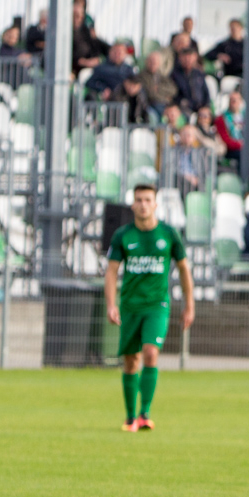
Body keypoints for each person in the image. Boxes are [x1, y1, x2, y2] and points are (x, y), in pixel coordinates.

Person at [104, 184, 194, 432]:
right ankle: (130, 417)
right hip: (130, 306)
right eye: (139, 200)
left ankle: (145, 414)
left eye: (148, 200)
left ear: (155, 204)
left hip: (157, 305)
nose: (143, 204)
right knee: (131, 361)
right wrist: (111, 304)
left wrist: (189, 305)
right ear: (133, 204)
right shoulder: (123, 235)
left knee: (151, 353)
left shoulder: (168, 234)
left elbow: (184, 269)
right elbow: (111, 272)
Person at [70, 0, 106, 77]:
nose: (76, 19)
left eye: (79, 16)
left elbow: (96, 45)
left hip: (88, 65)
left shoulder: (86, 31)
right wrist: (82, 61)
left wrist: (95, 60)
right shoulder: (64, 33)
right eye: (74, 16)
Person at [172, 48, 211, 116]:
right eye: (185, 57)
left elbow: (205, 92)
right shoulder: (174, 74)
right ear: (180, 58)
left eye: (190, 57)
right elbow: (174, 95)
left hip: (200, 108)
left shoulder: (198, 73)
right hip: (184, 109)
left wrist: (206, 106)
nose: (187, 60)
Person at [141, 51, 177, 115]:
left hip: (166, 104)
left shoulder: (161, 76)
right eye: (151, 61)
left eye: (155, 62)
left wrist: (159, 88)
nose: (153, 63)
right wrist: (165, 96)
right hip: (152, 105)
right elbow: (151, 94)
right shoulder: (142, 76)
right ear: (146, 62)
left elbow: (173, 90)